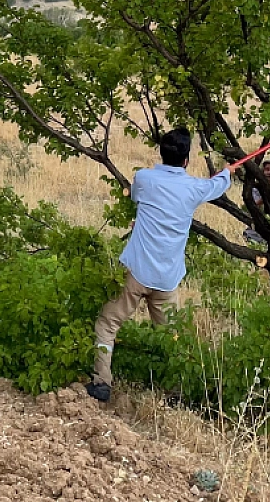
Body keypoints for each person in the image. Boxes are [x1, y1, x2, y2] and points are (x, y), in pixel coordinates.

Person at [88, 127, 232, 402]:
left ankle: (102, 382)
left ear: (162, 154)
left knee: (108, 324)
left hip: (136, 271)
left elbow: (136, 197)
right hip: (167, 277)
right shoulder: (195, 188)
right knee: (171, 337)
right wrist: (226, 172)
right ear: (186, 161)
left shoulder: (143, 178)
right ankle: (175, 392)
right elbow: (217, 186)